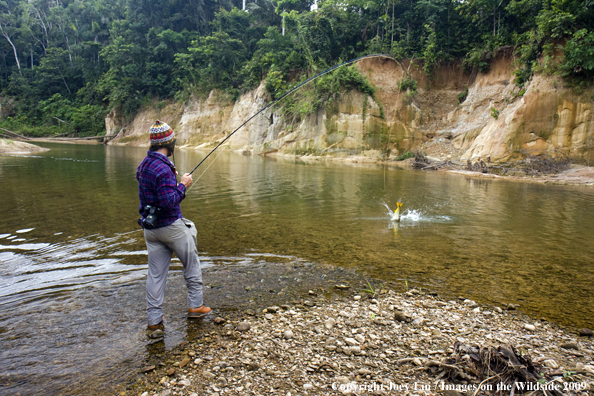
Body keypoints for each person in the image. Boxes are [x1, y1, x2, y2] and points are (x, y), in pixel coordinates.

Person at [136, 120, 210, 332]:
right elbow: (170, 201)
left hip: (151, 229)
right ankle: (195, 307)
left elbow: (151, 190)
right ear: (169, 143)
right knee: (192, 265)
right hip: (172, 227)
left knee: (156, 275)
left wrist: (173, 183)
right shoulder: (163, 167)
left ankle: (154, 321)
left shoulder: (144, 165)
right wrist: (182, 185)